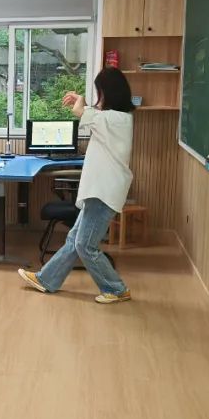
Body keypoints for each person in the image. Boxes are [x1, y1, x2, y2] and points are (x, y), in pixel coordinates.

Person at [17, 68, 134, 304]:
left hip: (103, 191)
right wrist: (85, 103)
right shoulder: (113, 119)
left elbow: (82, 112)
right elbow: (92, 115)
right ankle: (46, 279)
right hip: (99, 190)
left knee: (84, 245)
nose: (98, 97)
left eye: (99, 92)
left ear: (107, 93)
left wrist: (81, 102)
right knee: (74, 239)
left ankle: (117, 289)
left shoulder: (117, 119)